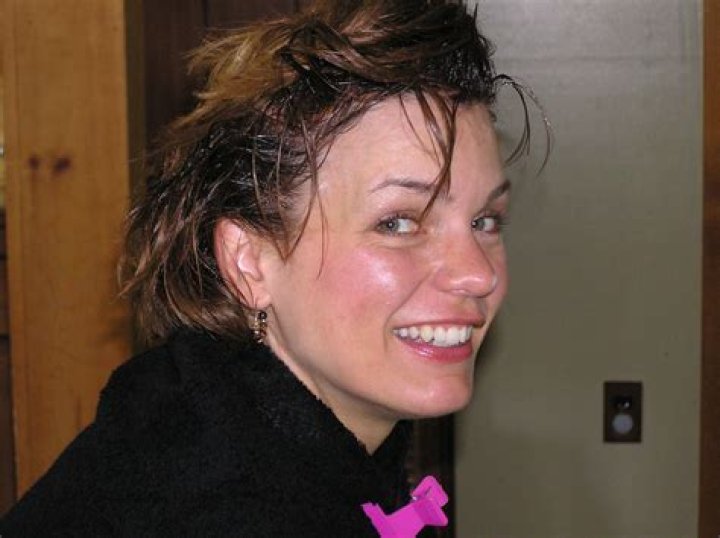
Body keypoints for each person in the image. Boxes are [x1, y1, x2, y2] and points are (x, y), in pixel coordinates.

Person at [1, 0, 531, 535]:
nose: (477, 273)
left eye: (485, 220)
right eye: (397, 222)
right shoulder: (218, 504)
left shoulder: (224, 413)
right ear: (249, 261)